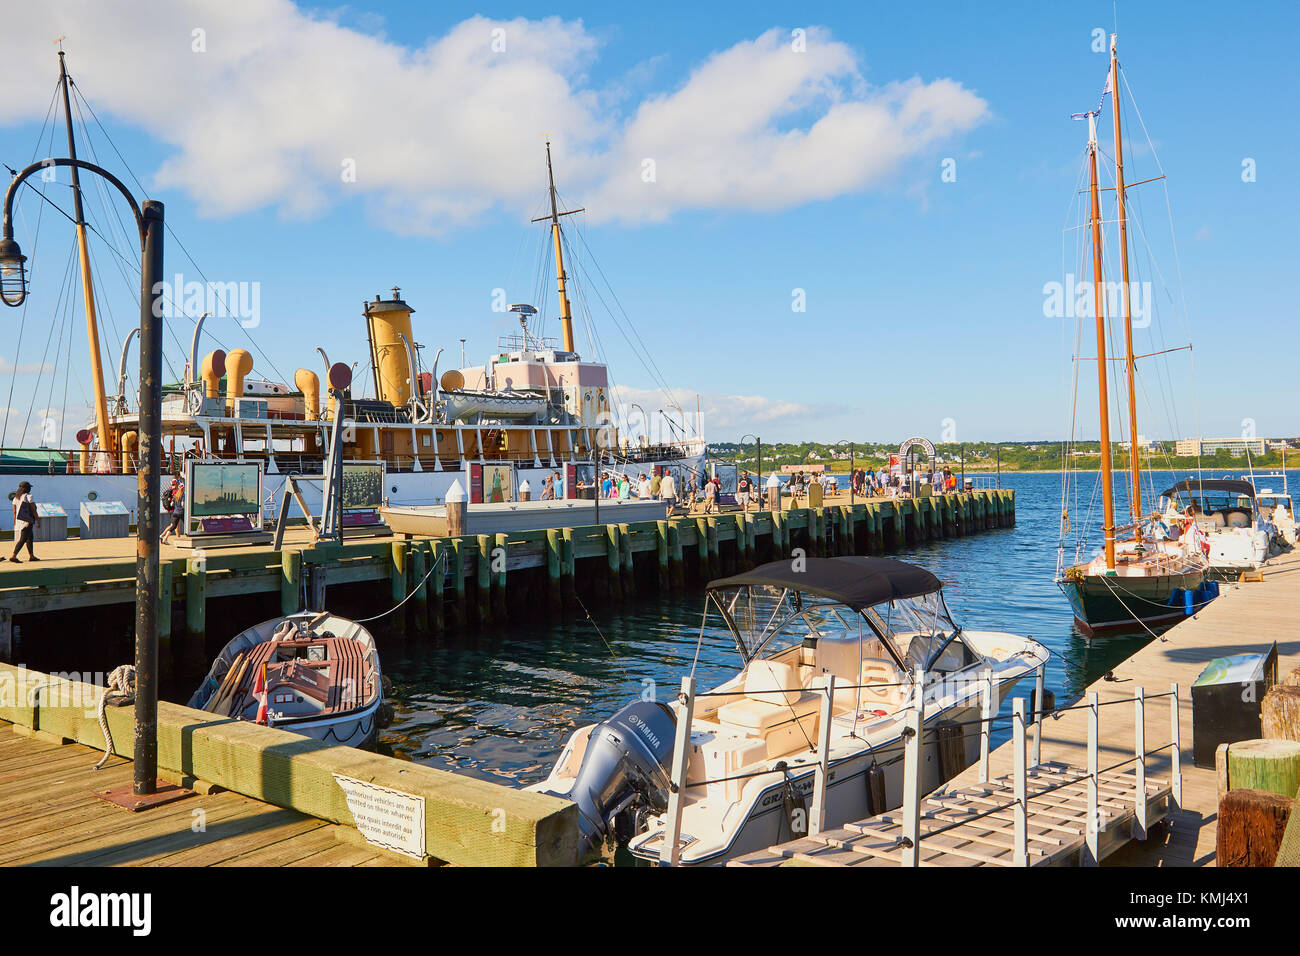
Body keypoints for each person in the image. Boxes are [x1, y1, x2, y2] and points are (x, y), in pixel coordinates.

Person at [3, 481, 39, 563]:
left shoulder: (16, 498)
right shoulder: (29, 496)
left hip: (19, 521)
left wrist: (15, 522)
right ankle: (13, 556)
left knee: (30, 537)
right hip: (27, 521)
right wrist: (38, 520)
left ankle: (31, 556)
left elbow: (15, 512)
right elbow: (33, 510)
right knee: (23, 539)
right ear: (27, 488)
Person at [160, 477, 186, 543]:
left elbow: (171, 504)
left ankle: (164, 537)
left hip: (174, 512)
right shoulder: (181, 494)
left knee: (173, 526)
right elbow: (183, 504)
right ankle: (163, 535)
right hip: (179, 512)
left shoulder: (175, 494)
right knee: (184, 525)